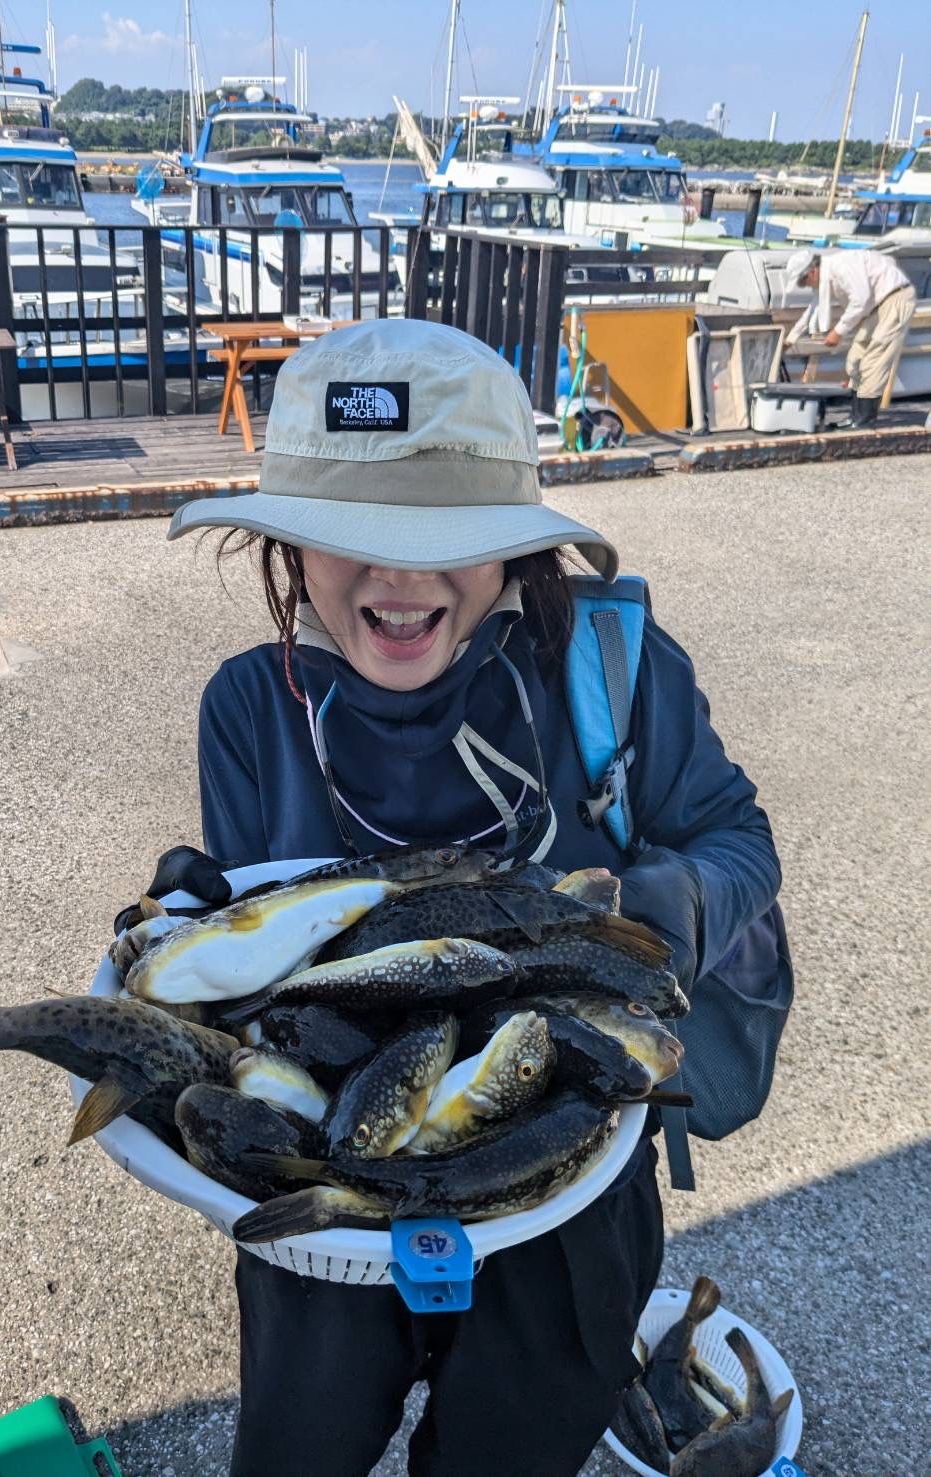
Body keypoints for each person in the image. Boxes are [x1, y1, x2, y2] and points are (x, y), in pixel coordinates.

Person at [150, 319, 782, 1477]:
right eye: (345, 537)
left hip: (567, 1186)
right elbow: (265, 993)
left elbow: (738, 841)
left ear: (514, 548)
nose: (397, 581)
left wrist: (648, 912)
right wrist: (183, 947)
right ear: (288, 547)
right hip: (333, 1203)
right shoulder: (247, 707)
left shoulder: (612, 667)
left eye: (447, 535)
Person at [784, 245, 917, 427]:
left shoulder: (842, 266)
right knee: (854, 360)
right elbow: (812, 309)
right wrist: (791, 338)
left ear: (812, 272)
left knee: (873, 362)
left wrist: (838, 331)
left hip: (895, 299)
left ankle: (864, 420)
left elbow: (860, 300)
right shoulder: (827, 276)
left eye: (802, 282)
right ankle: (855, 416)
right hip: (876, 308)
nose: (804, 286)